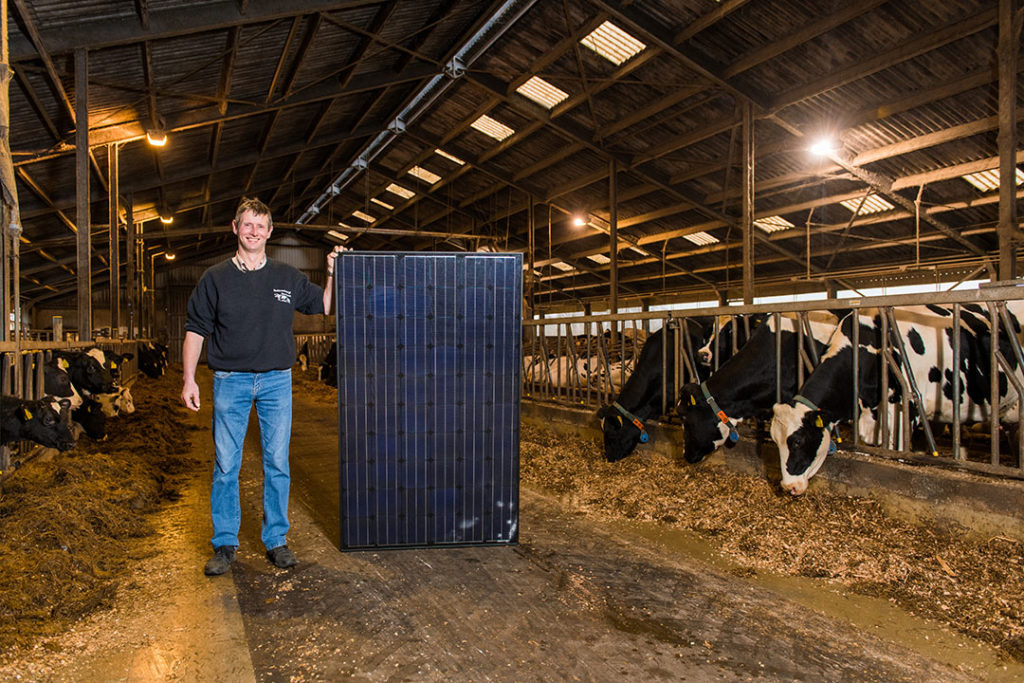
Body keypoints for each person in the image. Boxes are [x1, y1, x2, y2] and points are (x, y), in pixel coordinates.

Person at [181, 197, 344, 576]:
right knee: (226, 464)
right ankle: (224, 543)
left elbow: (323, 304)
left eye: (261, 226)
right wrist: (189, 378)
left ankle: (276, 540)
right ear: (235, 228)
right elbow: (195, 330)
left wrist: (333, 272)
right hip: (229, 380)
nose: (253, 231)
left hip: (276, 381)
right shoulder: (215, 278)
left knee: (276, 462)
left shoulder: (286, 278)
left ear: (270, 232)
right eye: (247, 225)